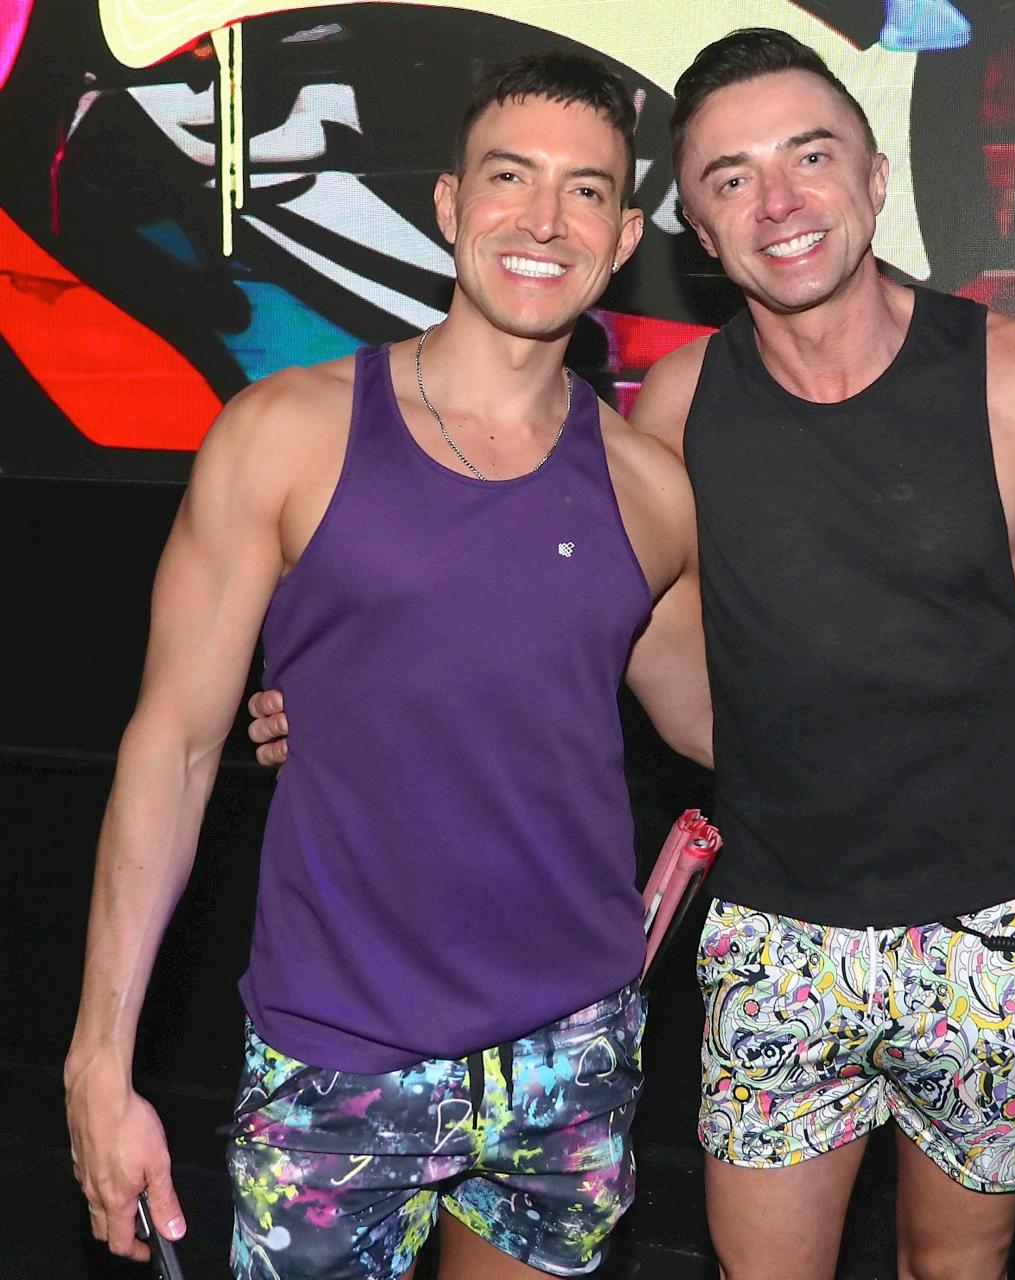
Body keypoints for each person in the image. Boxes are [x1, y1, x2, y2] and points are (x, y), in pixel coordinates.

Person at [246, 28, 1015, 1280]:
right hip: (772, 934)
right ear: (697, 232)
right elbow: (553, 621)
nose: (778, 201)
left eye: (810, 156)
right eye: (732, 177)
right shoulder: (668, 417)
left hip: (995, 930)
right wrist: (341, 699)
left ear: (875, 175)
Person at [63, 52, 712, 1280]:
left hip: (571, 1052)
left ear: (624, 236)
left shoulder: (651, 489)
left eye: (585, 191)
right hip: (337, 1058)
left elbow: (722, 725)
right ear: (451, 204)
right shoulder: (285, 433)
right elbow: (174, 745)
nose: (543, 219)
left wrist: (997, 759)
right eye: (509, 177)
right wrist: (99, 1059)